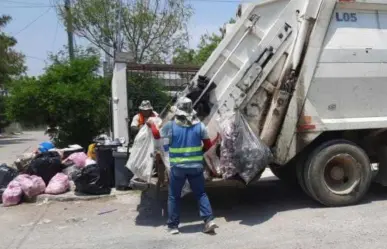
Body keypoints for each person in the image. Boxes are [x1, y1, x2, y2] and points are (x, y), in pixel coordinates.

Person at [147, 97, 218, 235]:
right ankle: (209, 220)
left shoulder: (171, 126)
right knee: (201, 193)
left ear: (178, 111)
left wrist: (151, 124)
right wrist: (198, 152)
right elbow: (208, 145)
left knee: (174, 196)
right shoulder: (200, 126)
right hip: (196, 166)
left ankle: (173, 226)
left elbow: (156, 136)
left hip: (178, 168)